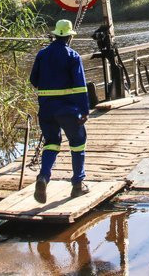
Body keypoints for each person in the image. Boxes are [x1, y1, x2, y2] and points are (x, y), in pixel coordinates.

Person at [29, 19, 90, 203]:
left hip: (46, 110)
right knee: (78, 143)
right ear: (70, 37)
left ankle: (43, 177)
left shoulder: (42, 54)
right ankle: (78, 185)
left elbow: (34, 80)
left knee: (52, 142)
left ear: (55, 35)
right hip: (69, 110)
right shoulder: (73, 56)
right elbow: (81, 87)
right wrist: (85, 110)